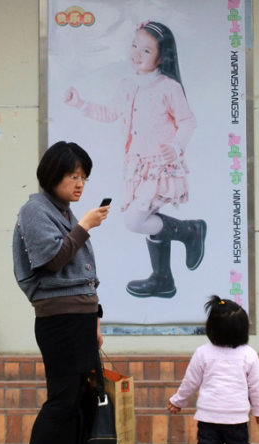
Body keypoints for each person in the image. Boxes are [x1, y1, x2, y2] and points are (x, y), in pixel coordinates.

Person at [64, 20, 206, 299]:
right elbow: (110, 113)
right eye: (134, 46)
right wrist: (80, 103)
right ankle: (163, 278)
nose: (137, 54)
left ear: (162, 58)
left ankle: (190, 231)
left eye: (146, 51)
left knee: (134, 220)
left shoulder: (168, 87)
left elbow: (187, 121)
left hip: (160, 167)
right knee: (144, 217)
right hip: (137, 168)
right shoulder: (128, 85)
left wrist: (176, 146)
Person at [12, 141, 110, 444]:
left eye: (84, 177)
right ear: (52, 175)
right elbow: (52, 259)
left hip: (79, 316)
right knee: (64, 399)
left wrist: (95, 318)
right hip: (60, 319)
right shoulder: (35, 210)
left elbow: (83, 276)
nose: (80, 184)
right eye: (73, 176)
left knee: (81, 399)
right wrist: (85, 226)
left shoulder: (64, 212)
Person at [167, 295, 259, 444]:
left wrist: (178, 401)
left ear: (212, 328)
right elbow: (256, 387)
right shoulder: (249, 354)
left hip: (208, 417)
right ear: (243, 329)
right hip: (236, 419)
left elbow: (190, 382)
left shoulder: (203, 352)